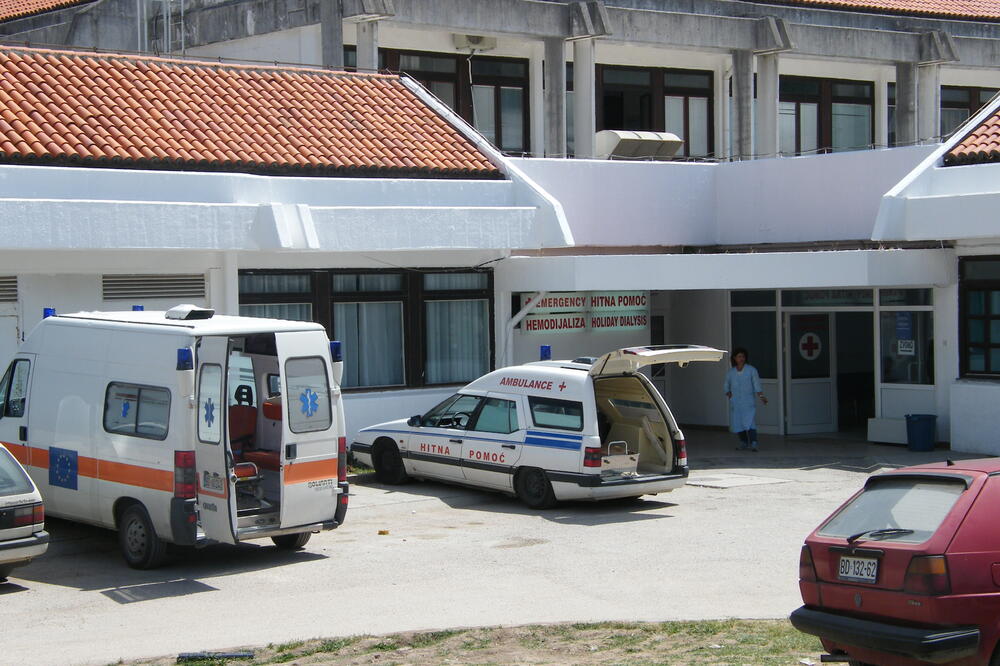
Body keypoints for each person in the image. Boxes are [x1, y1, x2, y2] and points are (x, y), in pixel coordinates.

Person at [724, 347, 768, 452]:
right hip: (736, 403)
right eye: (739, 356)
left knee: (750, 422)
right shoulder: (731, 373)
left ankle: (754, 443)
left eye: (743, 356)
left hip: (748, 402)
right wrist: (729, 394)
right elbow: (726, 385)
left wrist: (761, 396)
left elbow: (756, 384)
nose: (741, 359)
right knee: (738, 423)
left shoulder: (751, 370)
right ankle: (743, 442)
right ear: (734, 358)